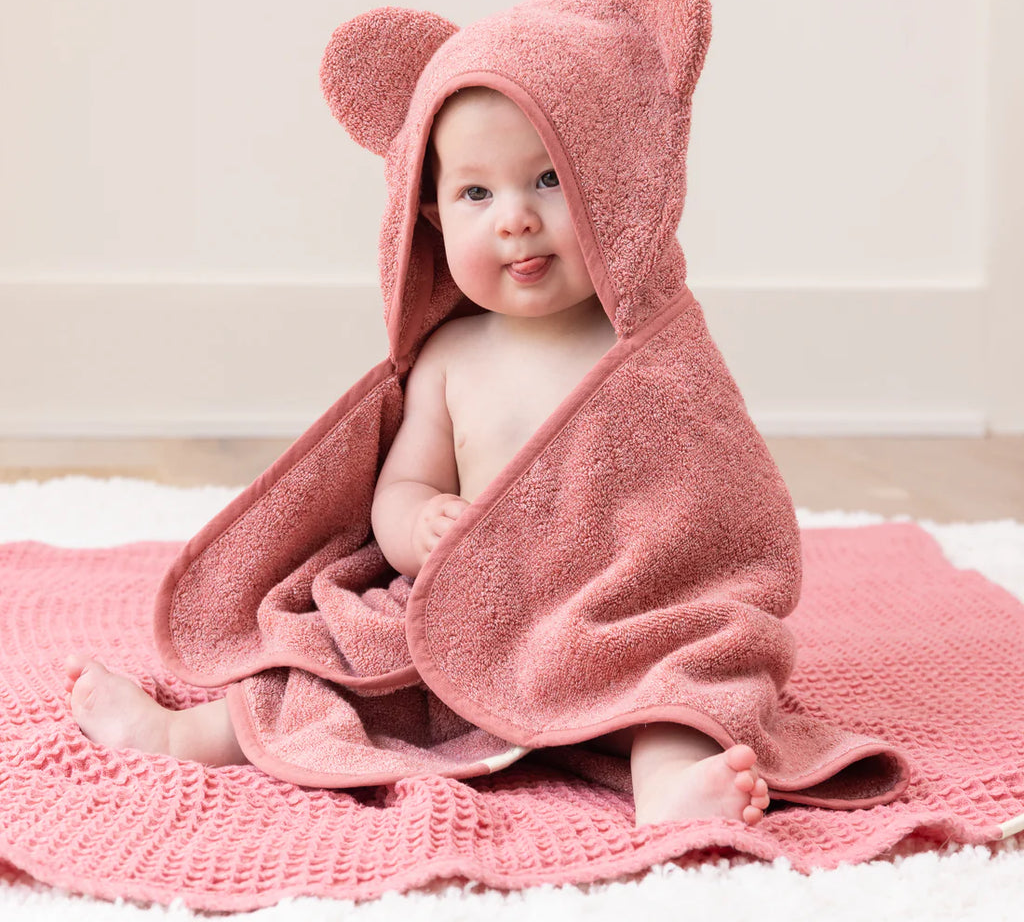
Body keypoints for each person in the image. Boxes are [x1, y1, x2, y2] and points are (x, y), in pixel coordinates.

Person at [65, 84, 770, 828]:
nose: (517, 217)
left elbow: (714, 490)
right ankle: (183, 735)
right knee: (331, 655)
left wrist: (672, 574)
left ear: (611, 183)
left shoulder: (646, 346)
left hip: (612, 615)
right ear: (431, 220)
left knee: (682, 675)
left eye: (550, 178)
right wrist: (421, 522)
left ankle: (669, 784)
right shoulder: (451, 357)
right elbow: (400, 487)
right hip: (474, 612)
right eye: (476, 192)